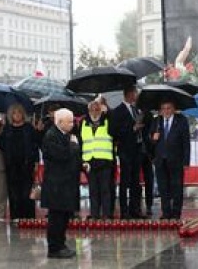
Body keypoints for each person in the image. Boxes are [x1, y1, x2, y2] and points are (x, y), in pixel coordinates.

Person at [41, 108, 80, 259]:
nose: (72, 124)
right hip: (56, 185)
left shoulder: (66, 135)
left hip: (66, 184)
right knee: (56, 218)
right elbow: (61, 155)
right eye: (69, 121)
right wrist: (73, 146)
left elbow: (72, 158)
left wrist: (81, 164)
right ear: (60, 122)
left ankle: (61, 243)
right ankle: (54, 247)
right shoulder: (51, 136)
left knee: (64, 217)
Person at [150, 100, 190, 219]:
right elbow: (150, 141)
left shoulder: (181, 120)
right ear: (160, 110)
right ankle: (166, 212)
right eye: (163, 108)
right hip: (160, 159)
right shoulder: (156, 120)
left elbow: (186, 142)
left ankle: (176, 213)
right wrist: (153, 138)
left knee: (177, 187)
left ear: (173, 109)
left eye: (168, 108)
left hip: (176, 159)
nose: (166, 111)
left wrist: (186, 161)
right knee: (163, 187)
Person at [112, 85, 147, 219]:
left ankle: (135, 209)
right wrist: (132, 128)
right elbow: (114, 131)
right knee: (125, 182)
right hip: (125, 151)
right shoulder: (118, 111)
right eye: (135, 93)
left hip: (137, 149)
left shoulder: (136, 109)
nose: (137, 95)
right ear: (129, 94)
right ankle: (124, 211)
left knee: (135, 182)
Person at [0, 104, 39, 221]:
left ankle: (28, 217)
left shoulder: (29, 128)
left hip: (27, 164)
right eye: (14, 113)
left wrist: (36, 161)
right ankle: (15, 216)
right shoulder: (7, 129)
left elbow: (35, 146)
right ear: (11, 115)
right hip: (11, 165)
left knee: (26, 191)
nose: (17, 115)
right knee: (14, 192)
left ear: (23, 114)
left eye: (19, 112)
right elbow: (2, 146)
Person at [78, 100, 114, 219]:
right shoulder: (83, 123)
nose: (94, 111)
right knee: (93, 190)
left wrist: (107, 108)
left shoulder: (107, 121)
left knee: (105, 189)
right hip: (89, 161)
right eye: (92, 109)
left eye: (97, 109)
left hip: (105, 160)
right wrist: (82, 161)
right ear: (88, 111)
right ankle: (94, 215)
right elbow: (80, 142)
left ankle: (107, 215)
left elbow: (115, 121)